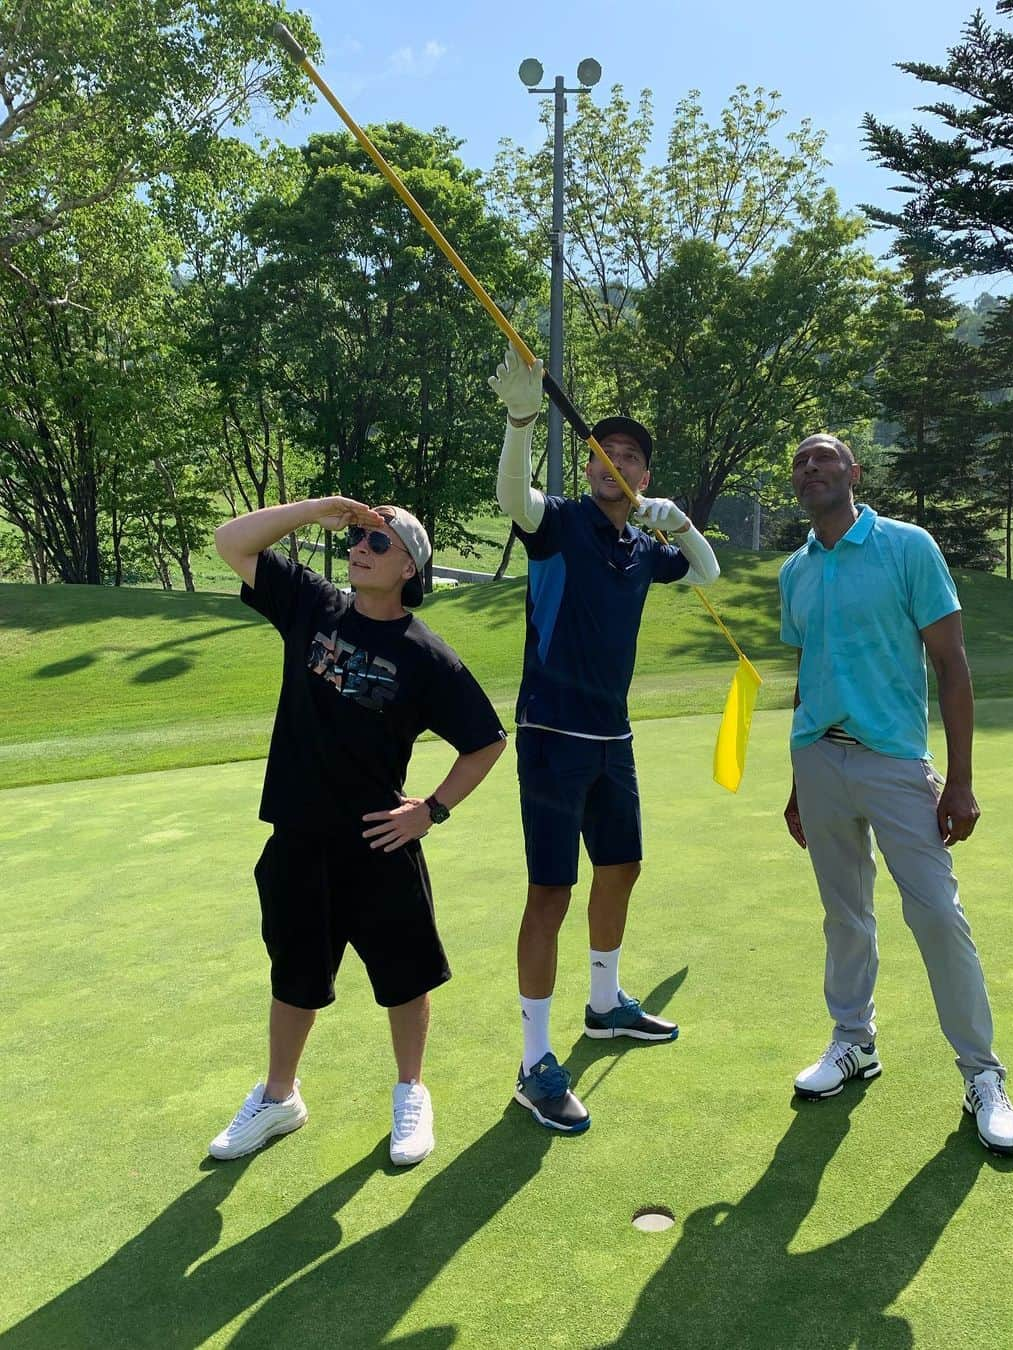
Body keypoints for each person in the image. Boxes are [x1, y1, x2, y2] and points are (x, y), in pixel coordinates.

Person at [209, 496, 506, 1165]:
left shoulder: (429, 657)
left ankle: (410, 1093)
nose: (361, 549)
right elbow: (232, 541)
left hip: (378, 842)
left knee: (405, 978)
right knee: (295, 976)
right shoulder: (314, 605)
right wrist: (315, 510)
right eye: (360, 539)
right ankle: (279, 1097)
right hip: (299, 836)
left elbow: (486, 742)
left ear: (409, 566)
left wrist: (430, 810)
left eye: (378, 542)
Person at [488, 347, 721, 1133]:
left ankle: (603, 1003)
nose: (610, 462)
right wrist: (522, 421)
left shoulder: (641, 548)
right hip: (551, 733)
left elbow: (708, 575)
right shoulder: (558, 522)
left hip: (612, 736)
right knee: (550, 892)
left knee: (623, 866)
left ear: (643, 479)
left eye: (627, 458)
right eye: (600, 452)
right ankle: (532, 1061)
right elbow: (512, 498)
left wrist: (682, 526)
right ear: (586, 468)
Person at [779, 433, 1013, 1156]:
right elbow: (809, 675)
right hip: (819, 761)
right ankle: (853, 1041)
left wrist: (961, 779)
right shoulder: (795, 570)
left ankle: (983, 1074)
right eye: (800, 463)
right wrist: (796, 781)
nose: (812, 469)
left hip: (894, 763)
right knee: (844, 915)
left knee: (938, 917)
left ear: (854, 473)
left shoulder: (908, 547)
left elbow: (951, 665)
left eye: (825, 458)